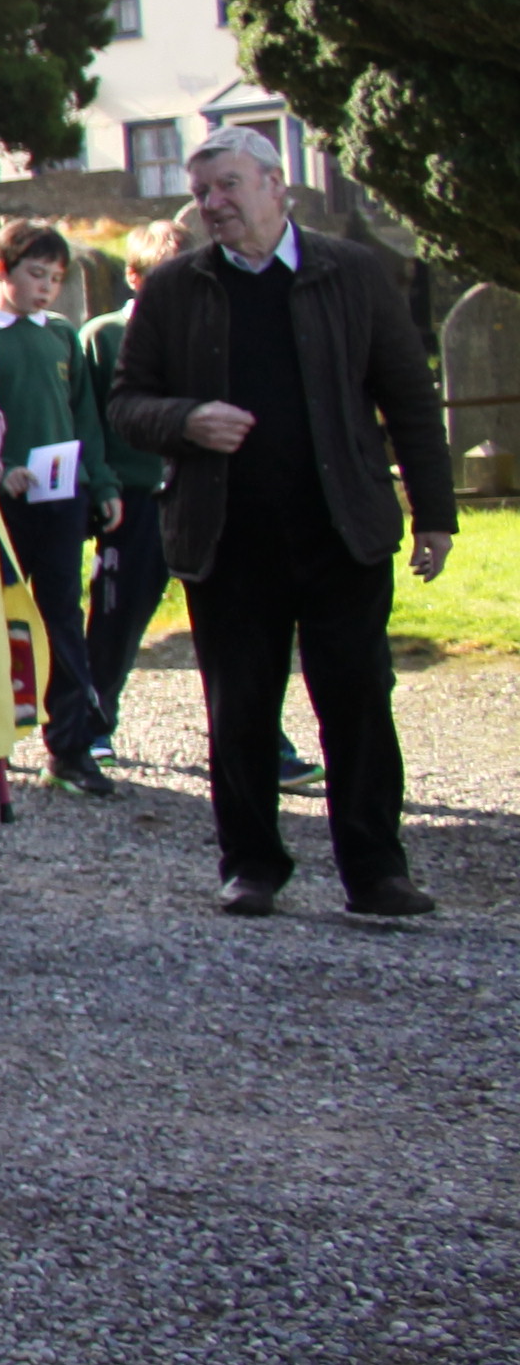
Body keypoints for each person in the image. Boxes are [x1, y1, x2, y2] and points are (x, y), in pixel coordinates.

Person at [106, 127, 453, 919]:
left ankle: (377, 871)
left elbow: (407, 394)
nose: (212, 204)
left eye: (228, 186)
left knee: (358, 699)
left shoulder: (351, 272)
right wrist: (187, 420)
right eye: (202, 192)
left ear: (276, 186)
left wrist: (434, 514)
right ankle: (252, 865)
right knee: (241, 706)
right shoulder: (175, 288)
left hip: (341, 529)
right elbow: (126, 404)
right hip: (228, 535)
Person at [0, 220, 120, 798]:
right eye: (36, 275)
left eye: (56, 279)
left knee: (62, 613)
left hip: (62, 495)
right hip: (1, 498)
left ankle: (69, 746)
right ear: (2, 270)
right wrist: (1, 466)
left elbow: (85, 414)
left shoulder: (62, 335)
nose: (45, 288)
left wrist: (103, 483)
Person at [85, 214, 183, 751]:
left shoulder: (204, 336)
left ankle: (265, 739)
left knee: (237, 623)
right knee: (117, 616)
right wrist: (101, 487)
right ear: (135, 277)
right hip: (133, 496)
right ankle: (93, 722)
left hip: (197, 493)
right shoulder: (104, 337)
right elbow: (87, 419)